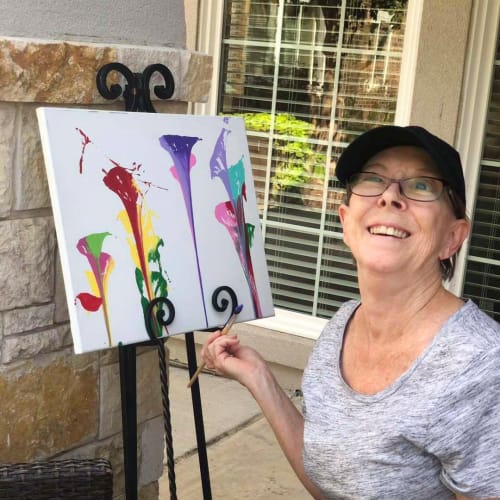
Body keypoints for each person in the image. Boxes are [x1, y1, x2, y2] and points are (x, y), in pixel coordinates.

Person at [201, 125, 500, 499]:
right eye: (373, 179)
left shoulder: (482, 363)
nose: (390, 196)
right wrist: (259, 378)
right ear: (345, 221)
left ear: (452, 238)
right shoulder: (343, 323)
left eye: (422, 185)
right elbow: (333, 485)